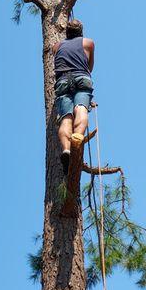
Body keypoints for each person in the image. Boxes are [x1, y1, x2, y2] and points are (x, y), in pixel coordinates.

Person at [53, 19, 95, 175]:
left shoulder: (56, 47)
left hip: (63, 80)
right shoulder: (88, 43)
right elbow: (89, 67)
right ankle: (77, 138)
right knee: (81, 108)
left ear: (67, 32)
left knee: (66, 117)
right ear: (81, 31)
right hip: (82, 77)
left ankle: (66, 150)